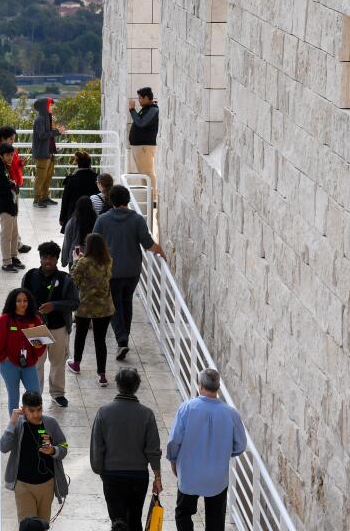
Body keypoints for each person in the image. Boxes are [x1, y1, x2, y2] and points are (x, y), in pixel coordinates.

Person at [92, 185, 166, 362]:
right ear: (128, 200)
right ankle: (124, 337)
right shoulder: (137, 220)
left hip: (111, 271)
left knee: (114, 304)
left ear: (111, 200)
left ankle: (122, 339)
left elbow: (94, 243)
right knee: (127, 302)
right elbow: (148, 244)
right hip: (132, 271)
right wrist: (161, 251)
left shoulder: (102, 220)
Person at [167, 369, 247, 531]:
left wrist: (173, 460)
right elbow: (240, 445)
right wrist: (223, 452)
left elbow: (174, 440)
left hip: (189, 474)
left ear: (200, 385)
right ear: (217, 387)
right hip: (217, 478)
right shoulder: (230, 413)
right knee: (216, 519)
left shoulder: (187, 408)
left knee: (183, 513)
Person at [90, 367, 163, 531]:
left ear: (117, 384)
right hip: (138, 477)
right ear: (137, 386)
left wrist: (101, 471)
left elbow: (97, 447)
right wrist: (157, 477)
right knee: (135, 520)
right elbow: (153, 449)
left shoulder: (103, 412)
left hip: (112, 476)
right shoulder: (147, 414)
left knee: (117, 523)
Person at [21, 241, 79, 408]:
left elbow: (75, 303)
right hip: (37, 328)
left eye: (52, 258)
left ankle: (58, 393)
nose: (48, 261)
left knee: (58, 362)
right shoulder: (30, 277)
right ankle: (35, 395)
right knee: (37, 362)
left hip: (59, 327)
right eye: (45, 257)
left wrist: (54, 306)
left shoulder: (66, 279)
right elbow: (21, 301)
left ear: (56, 260)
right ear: (40, 259)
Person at [0, 390, 70, 524]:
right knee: (29, 526)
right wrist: (12, 422)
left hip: (47, 485)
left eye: (39, 410)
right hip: (23, 485)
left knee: (43, 525)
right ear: (23, 409)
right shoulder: (18, 424)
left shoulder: (51, 423)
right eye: (31, 411)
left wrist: (53, 450)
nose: (36, 414)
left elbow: (64, 445)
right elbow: (3, 447)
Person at [0, 287, 46, 414]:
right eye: (18, 301)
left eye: (25, 300)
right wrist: (3, 357)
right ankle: (14, 428)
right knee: (13, 398)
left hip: (28, 364)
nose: (22, 304)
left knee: (36, 395)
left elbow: (40, 346)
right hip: (9, 365)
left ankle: (34, 425)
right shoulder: (6, 319)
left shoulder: (35, 320)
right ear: (13, 302)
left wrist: (38, 346)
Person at [68, 233, 116, 387]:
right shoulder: (108, 261)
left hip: (85, 306)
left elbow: (74, 279)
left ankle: (76, 364)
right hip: (105, 307)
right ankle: (102, 375)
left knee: (80, 336)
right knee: (100, 340)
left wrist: (77, 260)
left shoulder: (84, 262)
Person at [0, 127, 33, 262]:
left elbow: (13, 164)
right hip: (7, 193)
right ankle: (9, 257)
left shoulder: (9, 150)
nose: (13, 141)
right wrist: (8, 183)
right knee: (8, 223)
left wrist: (20, 163)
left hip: (13, 189)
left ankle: (16, 246)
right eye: (11, 139)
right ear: (2, 139)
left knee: (14, 220)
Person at [0, 143, 23, 272]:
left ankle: (13, 257)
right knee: (6, 235)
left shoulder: (5, 166)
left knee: (14, 234)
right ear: (1, 155)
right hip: (5, 206)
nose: (10, 157)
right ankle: (6, 262)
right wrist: (11, 185)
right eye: (7, 155)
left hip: (11, 205)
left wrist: (12, 185)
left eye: (11, 155)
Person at [30, 97, 65, 207]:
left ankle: (44, 197)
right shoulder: (40, 119)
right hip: (42, 153)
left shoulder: (47, 118)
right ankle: (37, 199)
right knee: (41, 177)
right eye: (50, 105)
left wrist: (57, 131)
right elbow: (41, 135)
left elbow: (49, 133)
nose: (52, 107)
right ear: (44, 107)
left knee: (47, 176)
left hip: (49, 152)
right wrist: (56, 132)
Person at [128, 87, 159, 199]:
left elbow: (141, 123)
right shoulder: (146, 109)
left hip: (144, 147)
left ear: (146, 98)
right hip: (139, 147)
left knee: (148, 172)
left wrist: (132, 110)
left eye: (140, 98)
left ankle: (153, 198)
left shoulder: (153, 110)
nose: (139, 101)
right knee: (143, 174)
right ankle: (148, 198)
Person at [58, 150, 98, 231]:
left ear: (77, 164)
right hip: (92, 216)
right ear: (90, 163)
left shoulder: (71, 180)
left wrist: (62, 217)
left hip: (73, 216)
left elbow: (65, 200)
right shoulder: (97, 179)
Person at [61, 195, 98, 268]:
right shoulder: (97, 220)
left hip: (77, 250)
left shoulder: (72, 222)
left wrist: (64, 260)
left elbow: (67, 242)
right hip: (92, 253)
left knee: (76, 275)